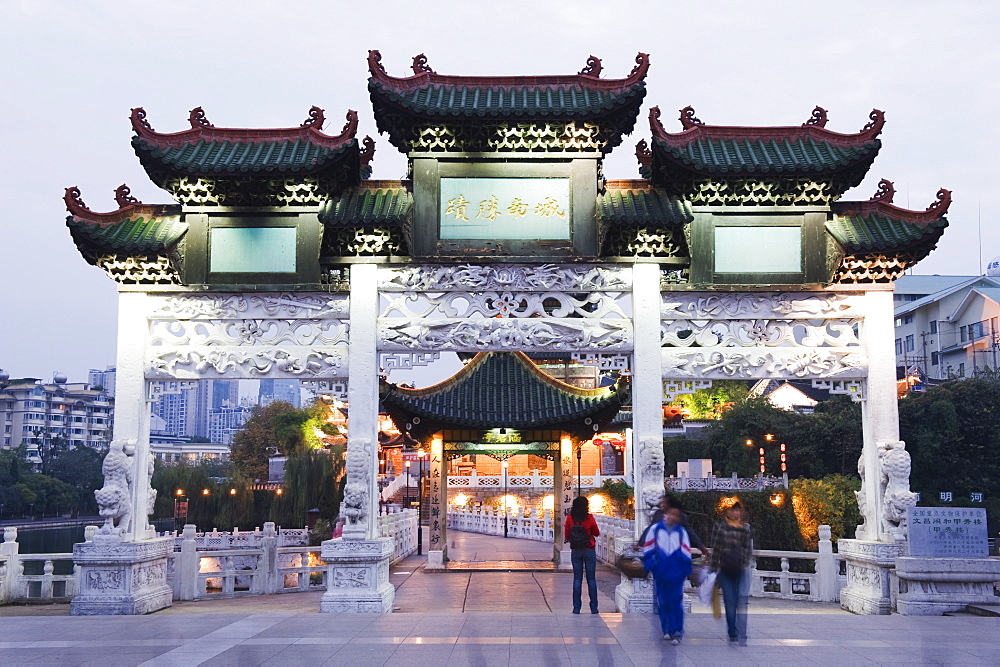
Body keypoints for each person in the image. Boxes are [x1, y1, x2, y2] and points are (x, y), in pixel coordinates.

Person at [642, 505, 692, 645]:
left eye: (675, 514)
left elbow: (686, 552)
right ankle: (666, 629)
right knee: (662, 602)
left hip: (677, 573)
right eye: (670, 513)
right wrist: (650, 566)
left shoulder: (681, 532)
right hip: (661, 572)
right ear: (666, 514)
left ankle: (677, 631)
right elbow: (649, 548)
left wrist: (686, 570)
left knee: (676, 601)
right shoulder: (656, 529)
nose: (672, 517)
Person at [710, 501, 752, 645]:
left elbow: (748, 549)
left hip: (740, 569)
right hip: (725, 569)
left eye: (738, 510)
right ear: (728, 512)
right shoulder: (720, 527)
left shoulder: (745, 528)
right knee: (729, 602)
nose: (736, 513)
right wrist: (713, 571)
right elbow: (716, 549)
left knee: (741, 601)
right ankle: (732, 632)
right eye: (733, 510)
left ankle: (742, 633)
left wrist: (743, 561)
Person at [564, 496, 600, 614]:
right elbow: (596, 533)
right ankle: (594, 608)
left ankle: (576, 607)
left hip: (576, 550)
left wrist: (575, 541)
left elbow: (567, 535)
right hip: (589, 549)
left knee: (577, 579)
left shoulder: (570, 518)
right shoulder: (589, 518)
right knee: (591, 579)